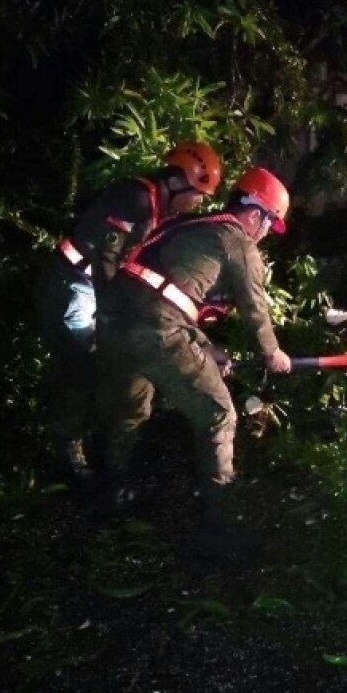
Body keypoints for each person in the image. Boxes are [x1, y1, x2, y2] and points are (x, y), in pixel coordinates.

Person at [94, 166, 293, 555]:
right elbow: (255, 307)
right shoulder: (238, 240)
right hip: (157, 329)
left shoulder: (193, 225)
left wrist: (206, 347)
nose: (267, 233)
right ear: (256, 214)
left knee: (130, 410)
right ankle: (219, 527)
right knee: (219, 415)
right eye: (269, 223)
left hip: (115, 320)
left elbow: (165, 291)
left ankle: (110, 495)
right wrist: (272, 353)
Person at [34, 141, 224, 485]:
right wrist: (112, 317)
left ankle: (91, 446)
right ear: (180, 181)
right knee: (82, 367)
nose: (198, 202)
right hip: (76, 286)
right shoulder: (136, 199)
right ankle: (66, 451)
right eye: (198, 193)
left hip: (91, 290)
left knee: (103, 369)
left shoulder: (155, 211)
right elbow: (105, 262)